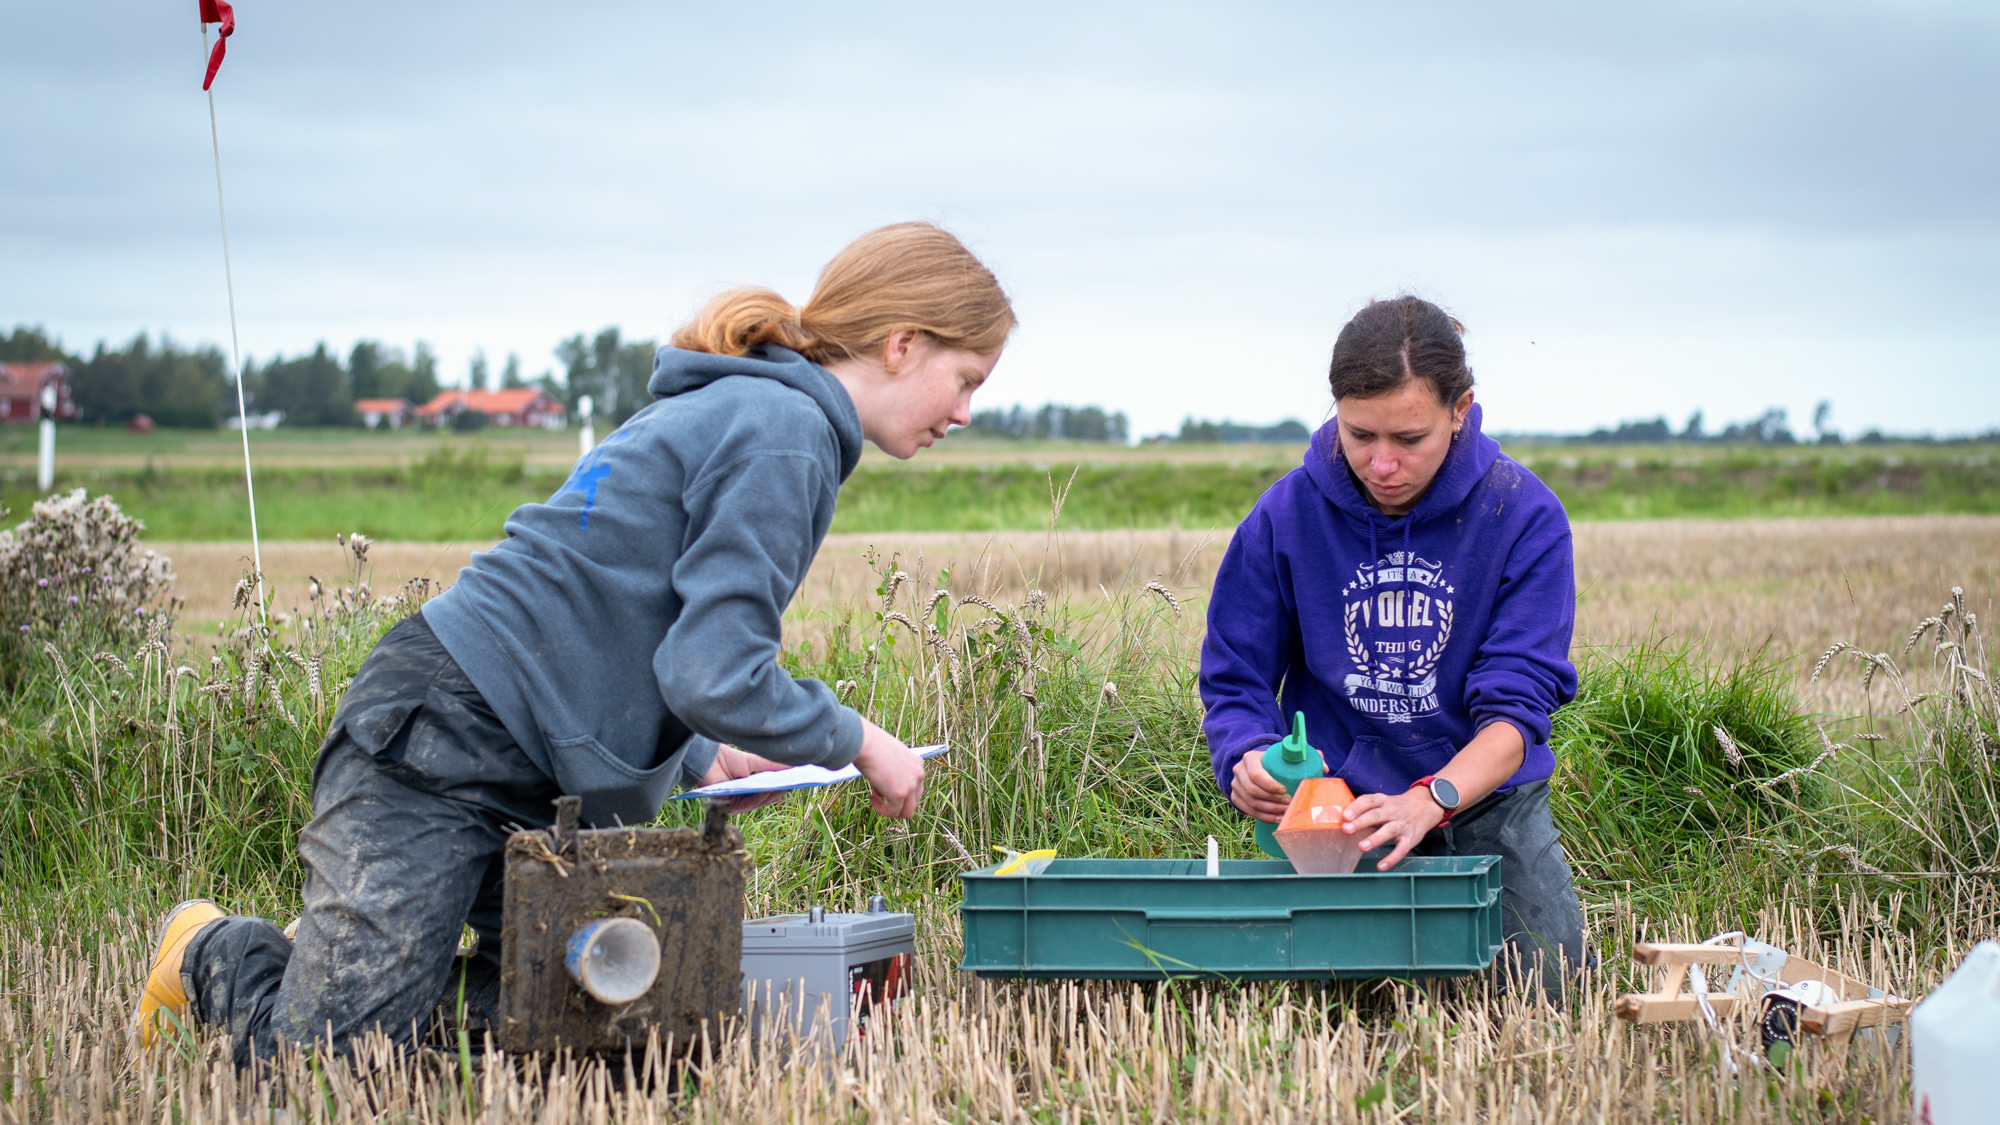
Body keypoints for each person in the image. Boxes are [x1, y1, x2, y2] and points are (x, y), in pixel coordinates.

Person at [134, 222, 1015, 1064]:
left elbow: (617, 597)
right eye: (967, 377)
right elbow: (715, 668)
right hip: (440, 736)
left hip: (534, 767)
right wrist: (862, 742)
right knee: (335, 1072)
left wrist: (699, 753)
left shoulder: (756, 411)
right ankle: (217, 953)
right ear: (902, 342)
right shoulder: (784, 432)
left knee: (587, 1028)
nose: (968, 411)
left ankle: (362, 959)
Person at [1199, 295, 1586, 996]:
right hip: (1332, 806)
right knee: (1290, 1008)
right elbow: (1235, 680)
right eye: (1359, 434)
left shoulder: (1524, 516)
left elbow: (1515, 716)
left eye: (1409, 438)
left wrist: (1428, 800)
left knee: (1547, 995)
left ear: (1461, 408)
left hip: (1481, 798)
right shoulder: (1284, 515)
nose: (1381, 464)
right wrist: (1247, 754)